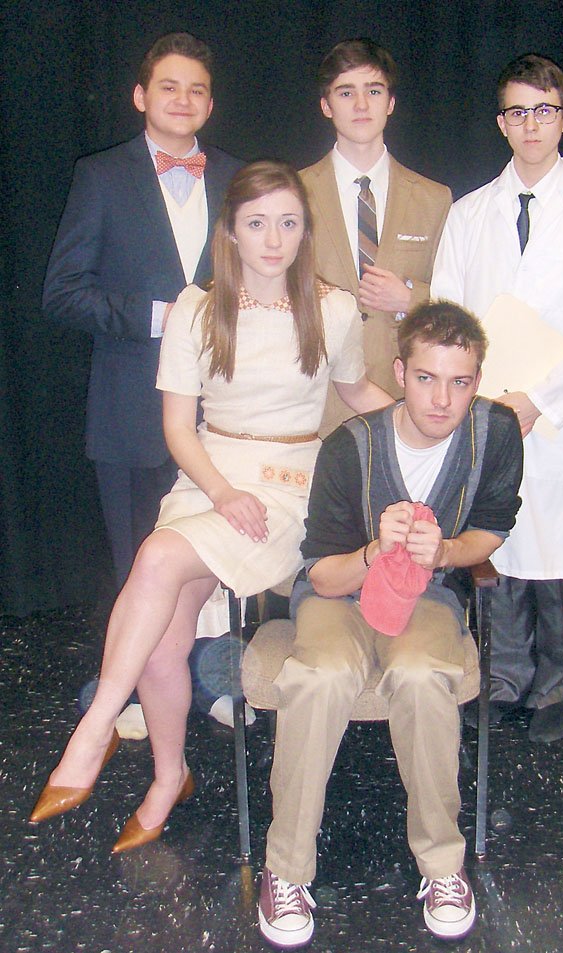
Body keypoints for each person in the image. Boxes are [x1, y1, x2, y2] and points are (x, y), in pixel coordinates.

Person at [30, 160, 391, 852]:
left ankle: (97, 724)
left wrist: (433, 415)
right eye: (257, 223)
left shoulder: (334, 306)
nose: (274, 239)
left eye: (288, 222)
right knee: (165, 636)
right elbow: (176, 428)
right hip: (208, 476)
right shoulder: (197, 308)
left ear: (304, 229)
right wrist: (221, 493)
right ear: (231, 231)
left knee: (158, 556)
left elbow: (356, 394)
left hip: (287, 484)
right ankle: (170, 776)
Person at [257, 301, 523, 948]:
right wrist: (376, 551)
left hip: (427, 596)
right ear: (400, 371)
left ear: (478, 381)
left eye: (460, 382)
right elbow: (320, 575)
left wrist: (449, 553)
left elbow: (493, 526)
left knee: (424, 669)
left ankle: (443, 866)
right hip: (340, 593)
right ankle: (285, 870)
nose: (442, 398)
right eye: (427, 377)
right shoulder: (352, 446)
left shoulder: (496, 433)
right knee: (319, 674)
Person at [431, 54, 563, 742]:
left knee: (554, 546)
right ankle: (503, 675)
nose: (531, 124)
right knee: (496, 542)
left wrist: (542, 399)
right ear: (501, 122)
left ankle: (552, 687)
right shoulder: (469, 215)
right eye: (517, 111)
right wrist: (479, 398)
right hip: (486, 410)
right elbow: (446, 312)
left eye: (544, 110)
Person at [43, 32, 240, 595]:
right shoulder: (100, 175)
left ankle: (214, 681)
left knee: (219, 563)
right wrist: (161, 317)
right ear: (140, 96)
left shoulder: (239, 177)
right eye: (169, 87)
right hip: (131, 415)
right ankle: (144, 680)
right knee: (138, 570)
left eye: (196, 90)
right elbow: (62, 292)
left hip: (223, 412)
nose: (183, 99)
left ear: (210, 104)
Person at [300, 38, 452, 434]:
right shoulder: (292, 195)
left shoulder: (435, 199)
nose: (362, 105)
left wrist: (411, 298)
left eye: (374, 90)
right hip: (313, 403)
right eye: (346, 92)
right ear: (326, 105)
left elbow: (462, 299)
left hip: (405, 403)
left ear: (391, 102)